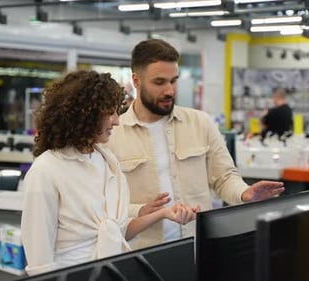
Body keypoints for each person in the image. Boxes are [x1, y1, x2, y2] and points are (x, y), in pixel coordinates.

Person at [107, 39, 285, 250]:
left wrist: (244, 193)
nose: (169, 90)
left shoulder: (200, 123)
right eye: (159, 82)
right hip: (140, 252)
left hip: (197, 247)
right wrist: (140, 210)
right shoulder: (112, 135)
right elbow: (106, 205)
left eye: (173, 81)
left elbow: (224, 177)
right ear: (136, 81)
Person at [20, 70, 198, 276]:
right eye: (110, 113)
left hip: (111, 272)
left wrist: (164, 214)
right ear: (86, 114)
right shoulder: (46, 170)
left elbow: (115, 232)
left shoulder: (107, 161)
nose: (117, 121)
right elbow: (39, 261)